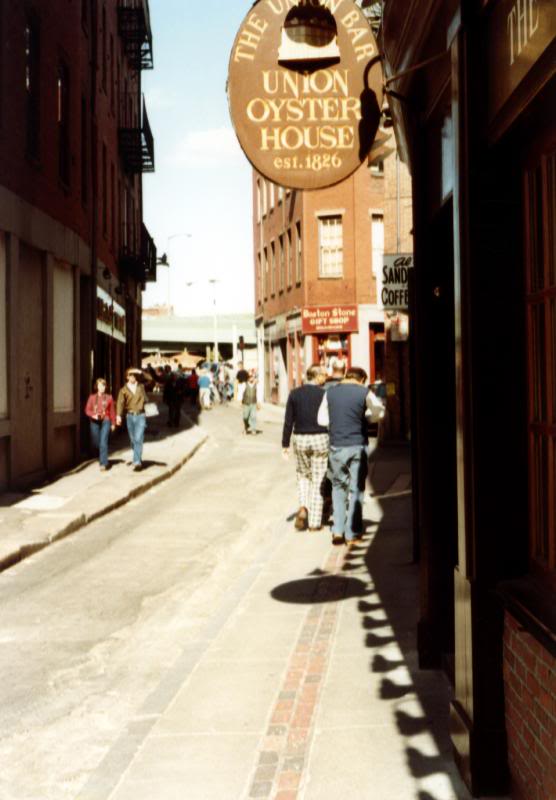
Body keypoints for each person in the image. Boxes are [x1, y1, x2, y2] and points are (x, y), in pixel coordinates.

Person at [318, 367, 385, 547]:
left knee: (338, 486)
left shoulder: (330, 393)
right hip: (357, 445)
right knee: (356, 489)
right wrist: (368, 418)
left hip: (336, 445)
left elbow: (322, 420)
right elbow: (379, 411)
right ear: (362, 379)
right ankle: (352, 532)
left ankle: (337, 530)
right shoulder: (364, 392)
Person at [282, 365, 328, 532]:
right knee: (318, 479)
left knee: (303, 474)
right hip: (321, 438)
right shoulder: (324, 394)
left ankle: (303, 507)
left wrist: (285, 444)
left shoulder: (294, 394)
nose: (325, 377)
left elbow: (288, 421)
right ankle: (315, 523)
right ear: (316, 376)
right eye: (323, 374)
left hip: (300, 438)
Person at [116, 368, 148, 471]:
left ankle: (137, 461)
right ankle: (138, 457)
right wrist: (118, 416)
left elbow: (151, 379)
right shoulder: (123, 390)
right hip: (129, 416)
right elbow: (120, 403)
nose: (132, 377)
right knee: (133, 440)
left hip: (140, 415)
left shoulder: (141, 386)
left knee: (139, 438)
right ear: (127, 377)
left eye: (134, 375)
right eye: (130, 375)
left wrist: (140, 372)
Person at [85, 378, 116, 470]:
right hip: (94, 421)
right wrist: (93, 415)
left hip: (105, 420)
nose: (101, 387)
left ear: (105, 387)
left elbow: (112, 411)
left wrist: (113, 423)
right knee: (96, 443)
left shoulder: (109, 397)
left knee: (103, 442)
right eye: (99, 385)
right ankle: (101, 455)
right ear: (96, 387)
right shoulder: (92, 397)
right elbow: (87, 410)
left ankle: (103, 463)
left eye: (103, 385)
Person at [242, 370, 259, 434]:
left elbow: (258, 394)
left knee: (253, 416)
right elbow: (241, 393)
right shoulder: (245, 384)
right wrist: (241, 402)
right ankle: (246, 426)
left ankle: (253, 429)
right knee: (245, 417)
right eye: (250, 377)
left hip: (253, 403)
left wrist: (258, 403)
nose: (251, 378)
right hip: (246, 403)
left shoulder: (256, 385)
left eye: (252, 377)